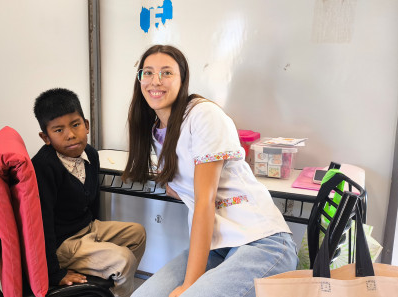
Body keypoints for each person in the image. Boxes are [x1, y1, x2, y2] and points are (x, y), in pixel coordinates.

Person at [123, 45, 297, 297]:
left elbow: (205, 201)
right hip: (218, 247)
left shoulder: (202, 115)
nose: (155, 81)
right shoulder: (157, 128)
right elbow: (186, 185)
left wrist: (188, 285)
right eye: (147, 73)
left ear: (182, 80)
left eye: (166, 73)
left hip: (261, 242)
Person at [32, 88, 146, 297]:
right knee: (124, 259)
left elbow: (92, 203)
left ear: (86, 125)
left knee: (137, 233)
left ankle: (105, 290)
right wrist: (54, 273)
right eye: (58, 130)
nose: (70, 135)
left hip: (88, 228)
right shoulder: (44, 166)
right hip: (63, 243)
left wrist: (98, 238)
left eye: (75, 125)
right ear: (45, 137)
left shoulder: (91, 154)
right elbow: (42, 223)